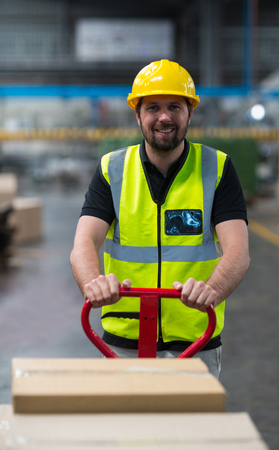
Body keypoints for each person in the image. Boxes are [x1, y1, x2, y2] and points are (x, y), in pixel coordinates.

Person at [70, 59, 250, 378]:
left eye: (174, 107)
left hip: (195, 342)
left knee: (189, 429)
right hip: (122, 343)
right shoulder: (112, 169)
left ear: (189, 113)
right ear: (138, 115)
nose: (164, 117)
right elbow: (84, 241)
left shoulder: (217, 168)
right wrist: (93, 283)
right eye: (153, 107)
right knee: (126, 429)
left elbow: (238, 251)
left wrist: (211, 290)